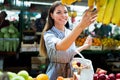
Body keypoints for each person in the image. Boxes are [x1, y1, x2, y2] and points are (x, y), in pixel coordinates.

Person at [39, 1, 97, 80]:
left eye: (65, 12)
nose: (63, 15)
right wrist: (80, 26)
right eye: (59, 12)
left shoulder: (69, 32)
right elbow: (61, 46)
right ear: (51, 15)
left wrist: (84, 46)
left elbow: (69, 52)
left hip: (71, 74)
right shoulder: (48, 34)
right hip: (55, 74)